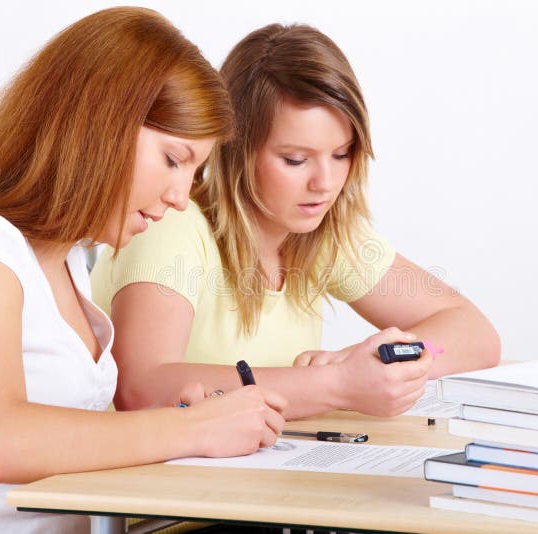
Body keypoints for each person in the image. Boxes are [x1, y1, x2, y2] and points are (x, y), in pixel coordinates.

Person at [0, 8, 286, 533]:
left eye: (194, 171)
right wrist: (190, 430)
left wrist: (181, 420)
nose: (181, 197)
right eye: (173, 159)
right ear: (99, 123)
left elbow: (64, 439)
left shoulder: (66, 264)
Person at [91, 23, 501, 421]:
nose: (325, 183)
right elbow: (140, 389)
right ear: (237, 151)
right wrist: (337, 384)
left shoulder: (324, 233)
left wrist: (384, 364)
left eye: (342, 154)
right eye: (295, 160)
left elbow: (476, 335)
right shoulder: (170, 225)